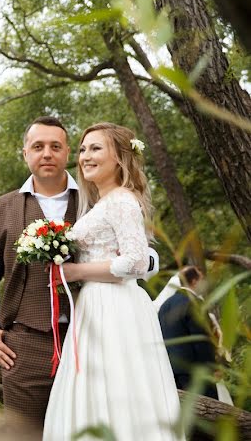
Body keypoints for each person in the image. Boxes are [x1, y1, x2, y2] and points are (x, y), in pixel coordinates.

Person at [0, 117, 159, 431]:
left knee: (95, 429)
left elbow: (144, 256)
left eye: (55, 146)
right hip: (26, 343)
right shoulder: (0, 208)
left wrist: (142, 264)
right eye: (38, 146)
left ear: (66, 153)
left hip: (95, 337)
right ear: (25, 154)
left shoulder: (95, 199)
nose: (47, 153)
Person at [43, 123, 182, 441]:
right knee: (97, 387)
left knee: (117, 385)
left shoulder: (121, 201)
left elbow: (135, 260)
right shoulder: (104, 203)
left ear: (119, 157)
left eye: (95, 148)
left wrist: (76, 273)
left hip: (114, 307)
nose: (85, 156)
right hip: (96, 305)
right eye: (82, 150)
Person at [158, 266, 218, 399]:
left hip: (171, 370)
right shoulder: (194, 303)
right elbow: (201, 341)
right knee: (207, 413)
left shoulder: (165, 305)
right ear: (195, 281)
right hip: (195, 371)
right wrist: (212, 368)